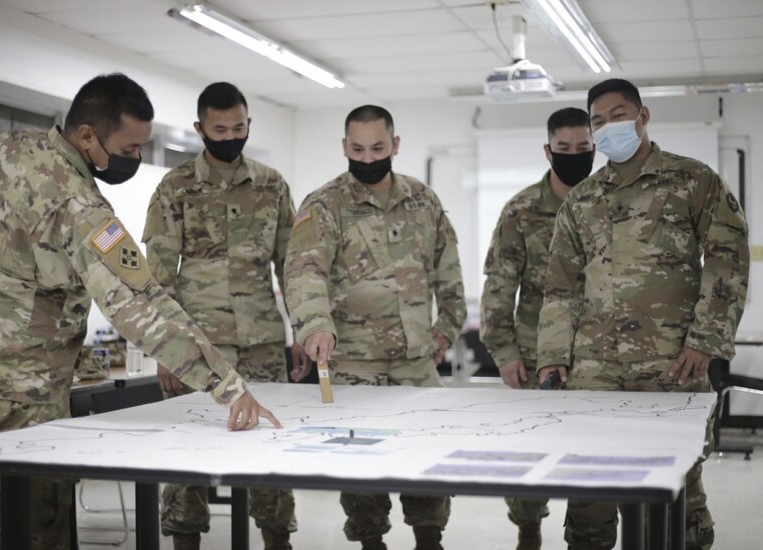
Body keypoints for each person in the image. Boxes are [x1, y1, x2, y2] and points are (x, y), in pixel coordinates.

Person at [0, 73, 280, 550]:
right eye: (128, 150)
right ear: (87, 135)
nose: (136, 160)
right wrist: (227, 385)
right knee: (37, 527)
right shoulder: (81, 206)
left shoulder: (8, 148)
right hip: (24, 391)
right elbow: (138, 304)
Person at [537, 78, 750, 549]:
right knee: (588, 494)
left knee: (674, 493)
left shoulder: (693, 180)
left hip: (671, 363)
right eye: (598, 122)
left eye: (617, 115)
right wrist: (553, 356)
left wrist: (705, 341)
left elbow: (726, 259)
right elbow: (560, 284)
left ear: (642, 115)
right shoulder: (582, 200)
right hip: (594, 370)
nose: (608, 127)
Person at [284, 105, 466, 550]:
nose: (368, 158)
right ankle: (371, 542)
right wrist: (315, 326)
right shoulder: (324, 204)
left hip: (415, 360)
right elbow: (305, 271)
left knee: (427, 457)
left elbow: (449, 269)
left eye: (378, 148)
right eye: (358, 149)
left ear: (395, 145)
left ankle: (429, 539)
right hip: (353, 361)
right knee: (361, 468)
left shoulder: (424, 200)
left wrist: (446, 329)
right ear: (345, 147)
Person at [142, 82, 304, 550]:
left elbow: (291, 267)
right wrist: (166, 352)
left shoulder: (272, 185)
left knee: (271, 453)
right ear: (200, 129)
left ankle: (277, 541)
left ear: (249, 125)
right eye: (219, 129)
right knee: (187, 458)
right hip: (197, 348)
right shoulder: (175, 187)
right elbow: (157, 278)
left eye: (239, 127)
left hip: (262, 345)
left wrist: (298, 333)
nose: (231, 136)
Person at [480, 107, 594, 550]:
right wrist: (504, 351)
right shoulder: (522, 210)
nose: (573, 156)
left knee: (590, 454)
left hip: (598, 354)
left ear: (594, 148)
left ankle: (586, 537)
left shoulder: (608, 204)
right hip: (531, 354)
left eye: (583, 149)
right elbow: (498, 286)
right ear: (548, 151)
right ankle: (529, 529)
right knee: (530, 454)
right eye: (564, 149)